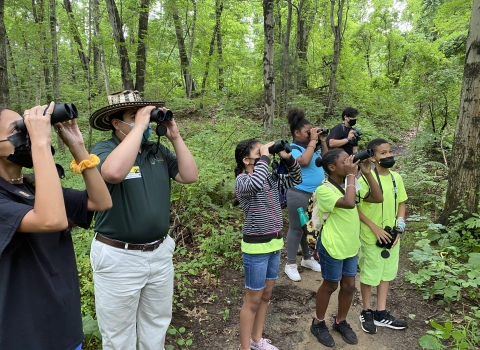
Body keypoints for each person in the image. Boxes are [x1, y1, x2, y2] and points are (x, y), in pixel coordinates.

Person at [88, 90, 198, 350]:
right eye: (135, 116)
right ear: (117, 123)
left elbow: (189, 175)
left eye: (148, 116)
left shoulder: (156, 150)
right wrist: (139, 127)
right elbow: (113, 172)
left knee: (156, 326)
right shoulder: (104, 149)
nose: (146, 122)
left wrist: (175, 136)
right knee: (119, 337)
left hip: (159, 253)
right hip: (118, 257)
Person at [0, 103, 112, 350]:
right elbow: (51, 220)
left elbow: (100, 201)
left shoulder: (33, 188)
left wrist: (77, 147)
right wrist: (40, 144)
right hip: (24, 336)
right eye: (18, 129)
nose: (28, 133)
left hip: (63, 327)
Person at [310, 148, 382, 347]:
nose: (351, 163)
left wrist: (366, 171)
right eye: (346, 161)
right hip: (333, 245)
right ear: (332, 167)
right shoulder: (324, 189)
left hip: (350, 245)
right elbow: (349, 203)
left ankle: (340, 321)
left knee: (349, 286)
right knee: (331, 284)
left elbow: (377, 198)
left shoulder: (349, 184)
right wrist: (352, 175)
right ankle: (318, 322)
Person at [234, 138, 302, 350]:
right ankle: (244, 347)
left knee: (265, 296)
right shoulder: (243, 181)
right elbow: (255, 184)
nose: (265, 153)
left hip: (274, 244)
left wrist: (288, 158)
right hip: (256, 249)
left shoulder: (270, 178)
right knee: (252, 300)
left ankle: (256, 341)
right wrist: (264, 156)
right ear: (247, 160)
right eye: (259, 151)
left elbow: (296, 178)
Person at [357, 138, 408, 334]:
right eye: (383, 153)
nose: (388, 156)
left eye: (390, 152)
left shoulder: (396, 178)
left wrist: (400, 226)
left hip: (392, 237)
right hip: (371, 237)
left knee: (386, 273)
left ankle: (381, 312)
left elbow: (401, 203)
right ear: (372, 157)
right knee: (370, 274)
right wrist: (374, 228)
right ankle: (366, 311)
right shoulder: (363, 180)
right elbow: (356, 208)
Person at [284, 108, 328, 281]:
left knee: (308, 228)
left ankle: (307, 259)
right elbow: (303, 161)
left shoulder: (313, 147)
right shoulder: (292, 148)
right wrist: (313, 141)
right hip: (298, 193)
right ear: (296, 133)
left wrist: (322, 141)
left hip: (314, 195)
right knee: (296, 229)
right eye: (307, 132)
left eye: (312, 131)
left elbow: (327, 159)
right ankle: (290, 263)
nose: (311, 134)